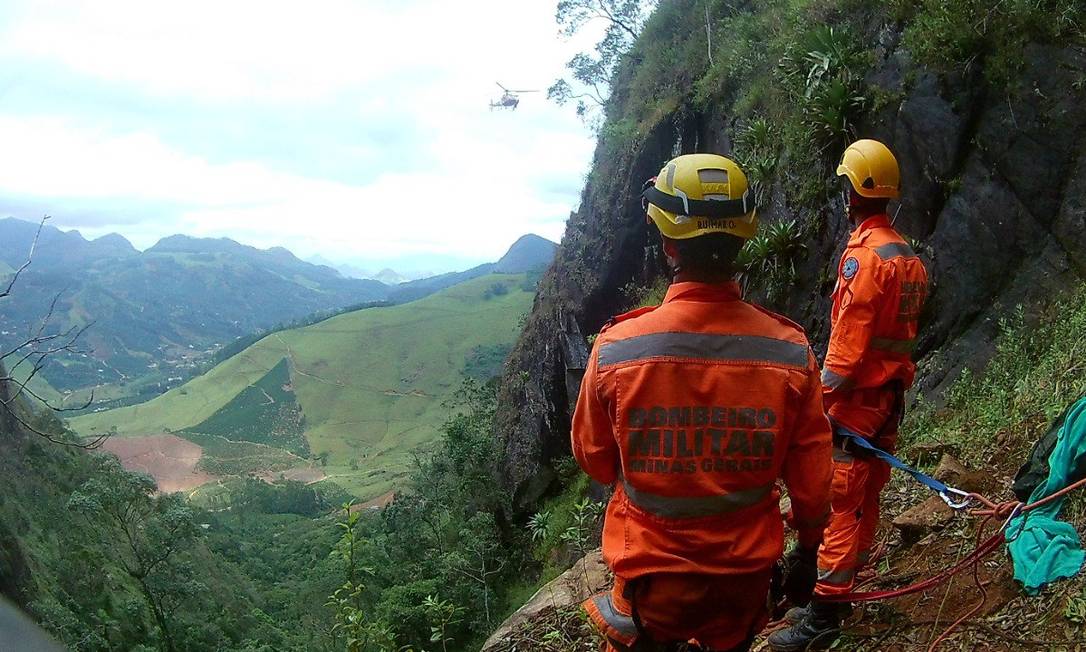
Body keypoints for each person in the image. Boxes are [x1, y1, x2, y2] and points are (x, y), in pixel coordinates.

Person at [573, 153, 833, 652]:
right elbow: (813, 481)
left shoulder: (617, 350)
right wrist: (808, 550)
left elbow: (597, 461)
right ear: (743, 237)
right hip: (744, 580)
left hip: (652, 582)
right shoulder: (788, 350)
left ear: (668, 243)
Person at [768, 139, 930, 651]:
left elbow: (843, 357)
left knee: (840, 508)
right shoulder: (909, 259)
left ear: (853, 192)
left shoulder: (863, 261)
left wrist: (810, 409)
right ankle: (821, 586)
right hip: (887, 404)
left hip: (856, 407)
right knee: (862, 505)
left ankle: (824, 618)